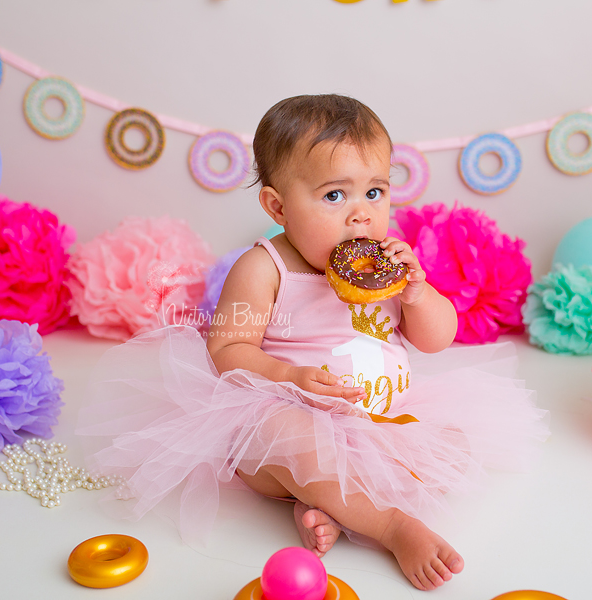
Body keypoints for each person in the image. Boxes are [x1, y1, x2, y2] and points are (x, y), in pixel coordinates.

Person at [78, 94, 548, 592]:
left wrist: (418, 293)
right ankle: (390, 525)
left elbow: (438, 340)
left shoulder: (387, 267)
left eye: (375, 192)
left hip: (383, 418)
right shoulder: (264, 268)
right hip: (285, 414)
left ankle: (321, 503)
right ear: (278, 205)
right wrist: (291, 378)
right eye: (333, 196)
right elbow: (227, 351)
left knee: (452, 452)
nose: (361, 216)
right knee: (292, 442)